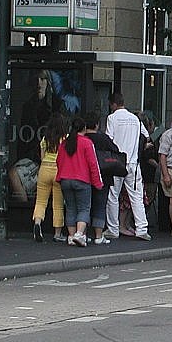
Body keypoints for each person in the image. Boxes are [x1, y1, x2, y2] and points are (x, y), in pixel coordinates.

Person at [104, 92, 151, 240]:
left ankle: (113, 229)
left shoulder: (112, 118)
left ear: (113, 104)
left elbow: (109, 140)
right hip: (133, 162)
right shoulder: (135, 119)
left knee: (113, 196)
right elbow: (146, 136)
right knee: (136, 196)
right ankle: (142, 229)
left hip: (117, 162)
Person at [55, 115, 102, 247]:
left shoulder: (64, 143)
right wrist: (98, 183)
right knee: (84, 208)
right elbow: (93, 164)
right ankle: (79, 234)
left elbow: (58, 161)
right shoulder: (87, 143)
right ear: (85, 128)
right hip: (82, 179)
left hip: (65, 179)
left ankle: (71, 236)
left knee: (70, 208)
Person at [84, 112, 120, 245]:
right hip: (103, 175)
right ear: (97, 124)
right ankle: (99, 235)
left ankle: (83, 233)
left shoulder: (83, 138)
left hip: (85, 175)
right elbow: (116, 150)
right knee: (100, 205)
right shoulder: (103, 138)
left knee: (85, 206)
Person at [31, 113, 67, 242]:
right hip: (58, 170)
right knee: (58, 204)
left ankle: (37, 223)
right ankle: (57, 233)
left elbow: (41, 157)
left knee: (41, 201)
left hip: (44, 168)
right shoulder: (65, 139)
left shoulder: (45, 139)